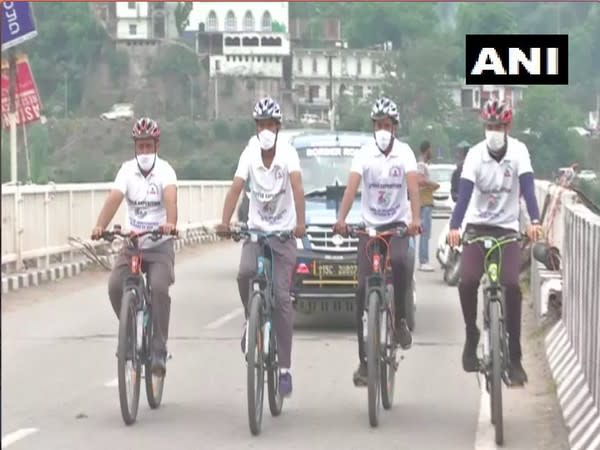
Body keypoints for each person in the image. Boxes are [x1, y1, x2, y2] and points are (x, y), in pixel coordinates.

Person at [447, 98, 542, 386]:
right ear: (483, 127)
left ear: (508, 126)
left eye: (498, 126)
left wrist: (534, 221)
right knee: (467, 280)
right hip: (476, 228)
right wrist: (454, 227)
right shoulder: (475, 156)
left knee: (511, 286)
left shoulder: (519, 152)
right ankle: (471, 333)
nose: (494, 131)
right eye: (489, 126)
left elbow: (527, 187)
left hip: (506, 230)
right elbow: (464, 197)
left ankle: (514, 357)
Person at [216, 97, 305, 398]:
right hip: (256, 231)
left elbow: (297, 187)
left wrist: (300, 224)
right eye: (260, 125)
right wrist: (225, 221)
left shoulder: (288, 154)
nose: (265, 130)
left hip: (283, 234)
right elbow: (236, 187)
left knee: (281, 297)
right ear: (255, 128)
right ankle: (249, 319)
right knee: (244, 273)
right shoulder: (250, 152)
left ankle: (285, 370)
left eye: (270, 125)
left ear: (278, 127)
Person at [332, 97, 421, 387]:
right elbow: (352, 187)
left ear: (395, 128)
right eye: (378, 125)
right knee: (361, 291)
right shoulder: (364, 154)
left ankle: (402, 321)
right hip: (369, 228)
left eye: (388, 125)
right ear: (373, 127)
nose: (383, 130)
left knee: (401, 262)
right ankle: (364, 361)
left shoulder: (405, 154)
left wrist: (415, 220)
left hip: (396, 227)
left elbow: (413, 187)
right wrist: (341, 219)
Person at [91, 117, 178, 376]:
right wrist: (99, 226)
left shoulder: (166, 171)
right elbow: (114, 198)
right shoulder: (126, 171)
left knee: (160, 288)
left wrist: (170, 223)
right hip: (132, 244)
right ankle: (128, 332)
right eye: (140, 147)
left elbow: (171, 198)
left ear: (156, 145)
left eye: (148, 146)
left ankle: (158, 349)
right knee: (116, 286)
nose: (144, 152)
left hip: (159, 244)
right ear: (134, 148)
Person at [416, 140, 439, 271]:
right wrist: (432, 184)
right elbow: (419, 180)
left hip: (427, 201)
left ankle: (423, 260)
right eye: (430, 149)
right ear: (427, 150)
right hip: (424, 203)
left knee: (426, 233)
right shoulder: (421, 164)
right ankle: (423, 260)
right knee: (424, 233)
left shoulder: (424, 164)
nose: (432, 152)